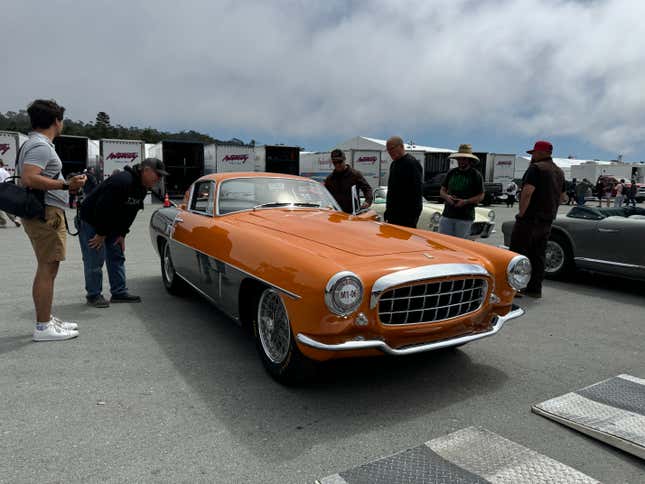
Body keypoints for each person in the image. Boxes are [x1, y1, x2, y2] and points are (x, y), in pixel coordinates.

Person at [19, 99, 86, 341]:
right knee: (47, 267)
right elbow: (29, 178)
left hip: (45, 211)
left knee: (49, 266)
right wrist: (66, 184)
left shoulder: (36, 144)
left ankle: (46, 318)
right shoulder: (41, 146)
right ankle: (42, 326)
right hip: (46, 213)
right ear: (57, 121)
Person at [78, 158, 168, 307]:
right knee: (95, 258)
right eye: (157, 174)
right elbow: (102, 208)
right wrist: (101, 234)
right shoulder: (122, 181)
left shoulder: (142, 187)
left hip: (111, 224)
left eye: (161, 175)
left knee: (117, 255)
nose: (159, 178)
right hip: (92, 221)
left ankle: (119, 292)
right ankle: (93, 295)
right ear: (145, 170)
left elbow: (130, 212)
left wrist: (122, 234)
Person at [510, 140, 565, 299]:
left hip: (530, 218)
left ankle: (516, 288)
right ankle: (535, 289)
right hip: (547, 220)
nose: (532, 156)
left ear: (541, 153)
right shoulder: (559, 172)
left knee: (518, 254)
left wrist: (521, 213)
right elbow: (562, 197)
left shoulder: (536, 169)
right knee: (538, 255)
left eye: (534, 153)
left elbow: (527, 192)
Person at [438, 144, 485, 238]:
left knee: (459, 245)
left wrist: (466, 201)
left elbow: (481, 195)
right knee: (443, 242)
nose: (461, 161)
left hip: (465, 217)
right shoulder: (451, 172)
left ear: (469, 160)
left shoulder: (475, 175)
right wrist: (447, 197)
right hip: (447, 214)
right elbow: (442, 191)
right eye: (459, 159)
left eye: (464, 159)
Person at [383, 136, 422, 228]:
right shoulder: (393, 164)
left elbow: (417, 192)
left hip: (407, 216)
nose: (390, 152)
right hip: (393, 215)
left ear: (401, 146)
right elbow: (391, 191)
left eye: (391, 148)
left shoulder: (412, 163)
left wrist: (413, 217)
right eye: (388, 150)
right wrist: (388, 211)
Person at [324, 149, 373, 213]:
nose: (337, 165)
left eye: (340, 161)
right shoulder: (330, 179)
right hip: (336, 214)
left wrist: (367, 201)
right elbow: (325, 194)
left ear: (344, 160)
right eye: (335, 162)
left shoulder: (355, 174)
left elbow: (367, 189)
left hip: (353, 214)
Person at [0, 160, 22, 227]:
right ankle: (15, 219)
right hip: (5, 190)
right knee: (6, 207)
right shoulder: (5, 172)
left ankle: (3, 221)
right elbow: (9, 182)